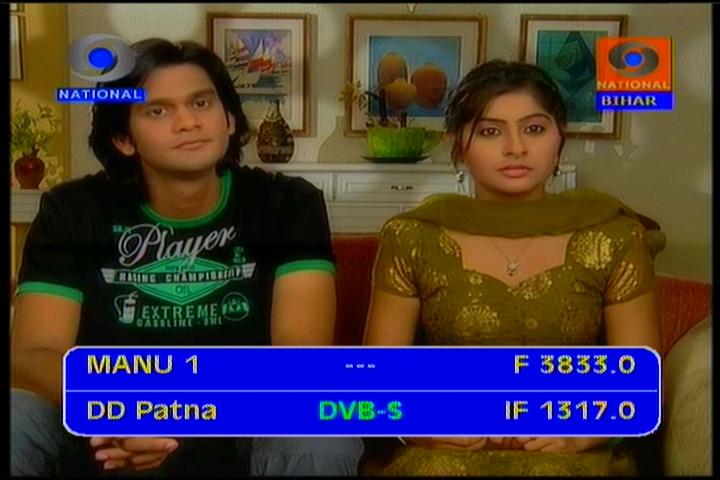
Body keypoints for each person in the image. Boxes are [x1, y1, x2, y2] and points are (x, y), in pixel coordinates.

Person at [11, 38, 363, 477]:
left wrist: (175, 410)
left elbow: (299, 357)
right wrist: (122, 410)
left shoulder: (286, 203)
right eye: (158, 111)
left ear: (229, 119)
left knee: (319, 429)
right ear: (123, 138)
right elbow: (34, 353)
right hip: (105, 414)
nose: (189, 123)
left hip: (244, 412)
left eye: (201, 103)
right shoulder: (72, 210)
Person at [362, 60, 663, 476]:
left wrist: (579, 434)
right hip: (448, 449)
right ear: (457, 144)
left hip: (569, 449)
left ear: (560, 140)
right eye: (490, 131)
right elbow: (378, 382)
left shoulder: (613, 236)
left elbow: (639, 384)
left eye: (534, 129)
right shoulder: (413, 237)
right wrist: (423, 428)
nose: (516, 147)